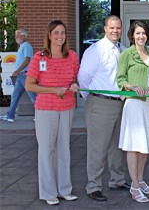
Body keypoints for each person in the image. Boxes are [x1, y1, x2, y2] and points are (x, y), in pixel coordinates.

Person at [25, 20, 79, 206]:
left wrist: (74, 85)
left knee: (64, 148)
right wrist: (54, 90)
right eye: (56, 32)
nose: (60, 36)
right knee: (47, 150)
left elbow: (76, 80)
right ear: (49, 35)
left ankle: (65, 190)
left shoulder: (72, 56)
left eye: (62, 32)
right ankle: (48, 192)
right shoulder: (39, 58)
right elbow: (29, 85)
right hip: (46, 109)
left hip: (67, 108)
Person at [78, 15, 129, 202]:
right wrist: (91, 98)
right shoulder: (95, 50)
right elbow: (83, 77)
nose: (115, 31)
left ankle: (117, 180)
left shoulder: (123, 50)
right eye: (112, 28)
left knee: (117, 146)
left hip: (119, 104)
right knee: (97, 147)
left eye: (118, 28)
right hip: (100, 103)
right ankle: (94, 186)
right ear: (105, 29)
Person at [116, 21, 149, 203]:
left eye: (143, 33)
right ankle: (134, 186)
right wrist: (132, 86)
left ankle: (141, 180)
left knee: (146, 146)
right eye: (137, 33)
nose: (141, 36)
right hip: (134, 105)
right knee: (134, 145)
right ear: (132, 36)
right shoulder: (126, 55)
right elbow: (120, 78)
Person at [1, 29, 36, 123]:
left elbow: (27, 60)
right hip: (21, 76)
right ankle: (10, 115)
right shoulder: (22, 46)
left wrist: (18, 70)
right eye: (16, 35)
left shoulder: (26, 46)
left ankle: (41, 115)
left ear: (24, 36)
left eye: (18, 36)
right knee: (15, 96)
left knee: (33, 96)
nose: (16, 37)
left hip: (25, 74)